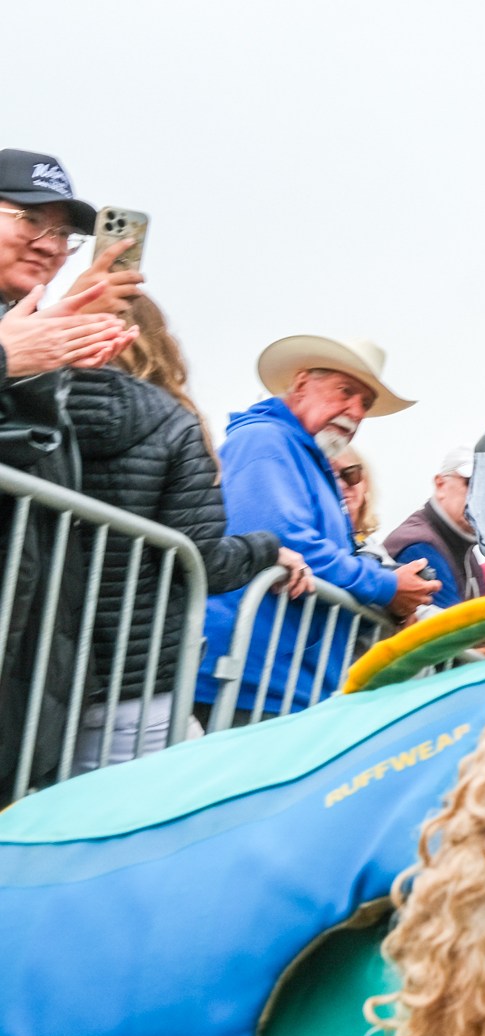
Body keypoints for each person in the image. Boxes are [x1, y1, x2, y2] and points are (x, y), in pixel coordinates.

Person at [65, 294, 313, 770]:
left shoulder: (28, 399)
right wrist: (268, 548)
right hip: (132, 680)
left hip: (37, 674)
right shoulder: (173, 424)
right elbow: (200, 561)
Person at [193, 335, 439, 723]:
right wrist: (387, 587)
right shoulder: (266, 440)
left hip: (276, 680)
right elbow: (283, 538)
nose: (356, 411)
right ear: (302, 383)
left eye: (366, 403)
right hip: (251, 678)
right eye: (346, 391)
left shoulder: (295, 452)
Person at [0, 148, 136, 797]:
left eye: (62, 231)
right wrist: (5, 358)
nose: (50, 244)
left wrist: (45, 359)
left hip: (26, 650)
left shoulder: (29, 331)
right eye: (29, 220)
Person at [383, 445, 485, 610]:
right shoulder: (419, 545)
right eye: (470, 483)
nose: (479, 495)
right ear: (440, 484)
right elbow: (452, 631)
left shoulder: (467, 553)